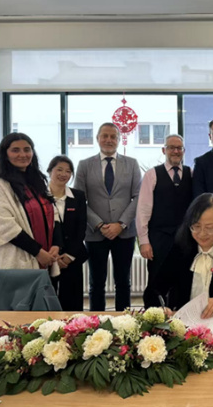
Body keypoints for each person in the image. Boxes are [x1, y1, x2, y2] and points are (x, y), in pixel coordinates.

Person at [144, 193, 213, 315]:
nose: (202, 234)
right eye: (196, 226)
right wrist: (159, 309)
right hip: (183, 322)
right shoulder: (180, 250)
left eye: (209, 227)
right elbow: (153, 290)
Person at [74, 122, 142, 311]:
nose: (109, 140)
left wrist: (121, 224)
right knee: (96, 282)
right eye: (105, 136)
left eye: (113, 136)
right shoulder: (84, 165)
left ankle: (125, 321)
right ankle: (96, 321)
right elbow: (79, 200)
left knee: (123, 281)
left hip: (124, 232)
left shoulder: (132, 164)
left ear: (119, 140)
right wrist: (99, 224)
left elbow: (138, 197)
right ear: (97, 138)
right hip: (95, 233)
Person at [0, 133, 59, 271]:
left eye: (27, 149)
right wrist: (37, 252)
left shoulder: (35, 182)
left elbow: (52, 214)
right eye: (15, 150)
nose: (22, 154)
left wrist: (56, 244)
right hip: (13, 261)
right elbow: (4, 226)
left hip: (45, 258)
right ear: (5, 154)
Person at [137, 134, 193, 305]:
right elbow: (143, 210)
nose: (175, 151)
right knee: (156, 281)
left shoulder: (191, 173)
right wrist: (144, 241)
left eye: (179, 148)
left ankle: (181, 317)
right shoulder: (152, 175)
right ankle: (153, 317)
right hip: (159, 238)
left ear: (183, 151)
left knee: (183, 281)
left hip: (185, 239)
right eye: (171, 148)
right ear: (164, 150)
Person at [47, 155, 88, 311]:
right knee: (48, 300)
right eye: (59, 170)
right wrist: (53, 255)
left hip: (72, 256)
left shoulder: (78, 196)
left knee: (72, 302)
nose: (64, 174)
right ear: (50, 171)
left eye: (68, 171)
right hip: (47, 256)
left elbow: (81, 227)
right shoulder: (39, 196)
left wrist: (70, 255)